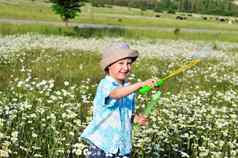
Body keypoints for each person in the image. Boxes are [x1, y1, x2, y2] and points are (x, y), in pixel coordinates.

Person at [80, 42, 156, 158]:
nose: (125, 68)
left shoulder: (128, 88)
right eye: (121, 63)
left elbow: (125, 113)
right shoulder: (105, 84)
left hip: (122, 146)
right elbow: (115, 94)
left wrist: (136, 119)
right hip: (103, 145)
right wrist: (140, 85)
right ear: (109, 66)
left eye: (129, 64)